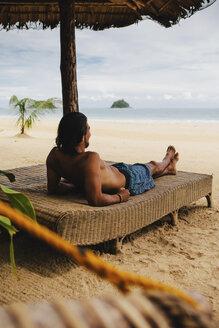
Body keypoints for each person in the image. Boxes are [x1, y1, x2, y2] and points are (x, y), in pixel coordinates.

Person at [46, 112, 179, 207]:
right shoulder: (90, 158)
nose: (90, 134)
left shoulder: (54, 155)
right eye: (88, 130)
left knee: (150, 171)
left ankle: (170, 169)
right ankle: (167, 158)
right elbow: (95, 199)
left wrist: (77, 185)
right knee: (153, 166)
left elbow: (54, 188)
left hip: (115, 170)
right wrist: (120, 197)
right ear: (81, 137)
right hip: (129, 179)